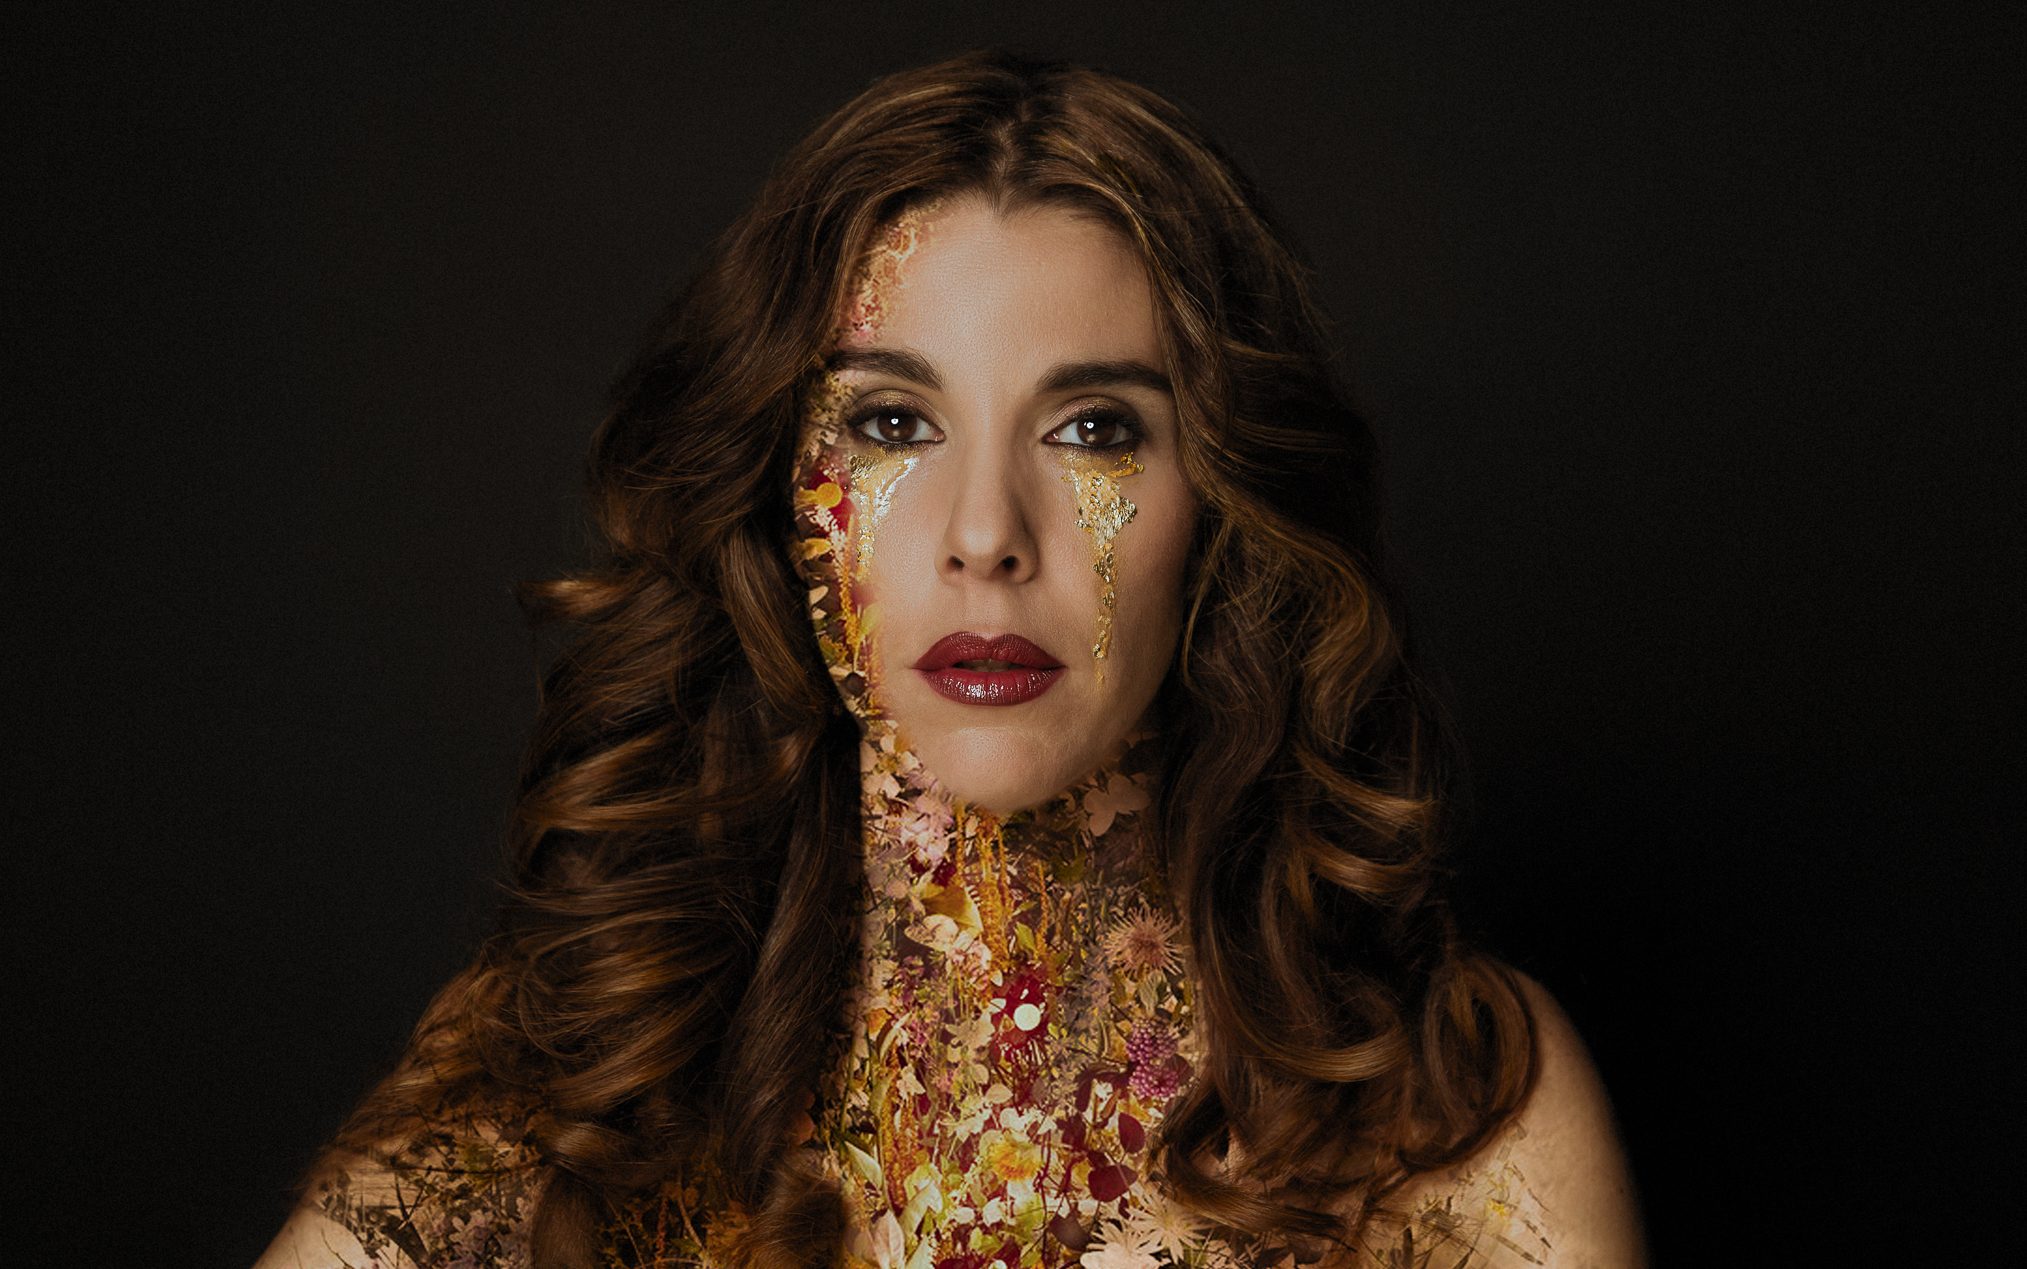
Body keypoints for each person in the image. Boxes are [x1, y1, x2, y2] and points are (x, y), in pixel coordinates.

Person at [257, 48, 1644, 1269]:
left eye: (1094, 430)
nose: (986, 533)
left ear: (1221, 504)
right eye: (890, 424)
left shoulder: (1447, 1116)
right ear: (776, 488)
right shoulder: (568, 1085)